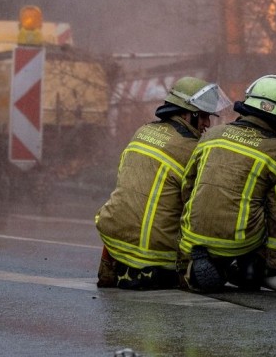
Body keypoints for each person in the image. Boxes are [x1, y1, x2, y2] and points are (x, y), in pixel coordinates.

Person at [94, 76, 226, 290]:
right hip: (159, 256)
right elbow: (197, 207)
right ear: (186, 113)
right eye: (202, 116)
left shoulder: (142, 131)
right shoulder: (195, 149)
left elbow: (125, 185)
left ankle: (109, 269)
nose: (207, 123)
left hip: (114, 238)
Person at [178, 74, 276, 293]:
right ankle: (250, 269)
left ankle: (198, 266)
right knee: (256, 215)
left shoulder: (211, 135)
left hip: (193, 235)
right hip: (241, 241)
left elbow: (188, 185)